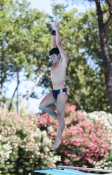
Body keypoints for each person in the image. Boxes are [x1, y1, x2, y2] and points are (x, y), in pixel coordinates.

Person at [39, 21, 68, 150]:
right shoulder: (54, 62)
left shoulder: (63, 62)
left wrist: (56, 29)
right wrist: (52, 30)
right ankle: (58, 117)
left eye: (54, 57)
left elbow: (58, 44)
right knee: (42, 106)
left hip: (61, 92)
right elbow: (53, 45)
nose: (53, 59)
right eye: (51, 58)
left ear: (58, 56)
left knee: (61, 113)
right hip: (54, 91)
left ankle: (58, 139)